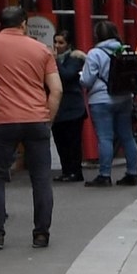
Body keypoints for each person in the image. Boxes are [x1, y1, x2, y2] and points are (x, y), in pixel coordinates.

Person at [0, 6, 60, 250]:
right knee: (41, 179)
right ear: (24, 24)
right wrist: (47, 119)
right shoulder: (42, 49)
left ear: (0, 22)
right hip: (35, 119)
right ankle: (41, 233)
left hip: (1, 120)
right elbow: (56, 90)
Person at [82, 23, 137, 186]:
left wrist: (80, 78)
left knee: (105, 138)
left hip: (101, 99)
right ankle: (132, 173)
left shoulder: (95, 53)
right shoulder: (125, 49)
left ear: (97, 35)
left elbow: (87, 80)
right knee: (127, 137)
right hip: (124, 98)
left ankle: (104, 174)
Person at [51, 25, 87, 181]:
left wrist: (54, 61)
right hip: (58, 108)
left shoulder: (74, 58)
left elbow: (68, 75)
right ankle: (66, 170)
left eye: (61, 43)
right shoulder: (54, 60)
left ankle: (75, 171)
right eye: (55, 43)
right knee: (60, 141)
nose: (57, 46)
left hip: (73, 108)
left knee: (73, 141)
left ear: (68, 44)